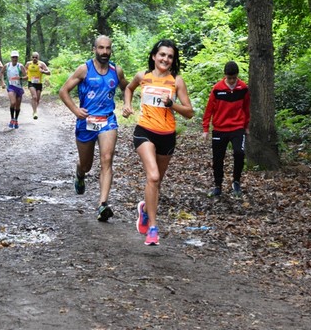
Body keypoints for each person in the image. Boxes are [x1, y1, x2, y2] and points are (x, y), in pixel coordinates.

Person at [122, 39, 194, 246]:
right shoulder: (143, 76)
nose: (165, 59)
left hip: (167, 136)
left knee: (156, 182)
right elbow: (129, 88)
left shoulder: (176, 81)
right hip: (144, 131)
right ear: (154, 56)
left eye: (170, 56)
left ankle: (145, 209)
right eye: (162, 55)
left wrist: (172, 104)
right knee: (152, 176)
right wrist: (127, 106)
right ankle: (153, 228)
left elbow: (189, 112)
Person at [58, 35, 128, 222]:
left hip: (107, 121)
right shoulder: (84, 69)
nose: (105, 52)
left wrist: (127, 103)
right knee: (87, 165)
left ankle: (102, 204)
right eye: (101, 48)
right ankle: (80, 174)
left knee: (107, 159)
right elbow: (63, 91)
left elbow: (127, 88)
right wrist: (75, 110)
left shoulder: (116, 70)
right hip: (86, 121)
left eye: (108, 48)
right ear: (94, 49)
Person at [202, 61, 250, 198]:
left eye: (234, 78)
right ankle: (218, 185)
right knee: (218, 158)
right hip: (220, 129)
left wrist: (246, 126)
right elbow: (209, 110)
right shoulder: (217, 89)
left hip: (237, 127)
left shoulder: (243, 88)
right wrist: (205, 129)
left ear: (237, 76)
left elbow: (246, 108)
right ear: (225, 76)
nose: (232, 80)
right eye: (229, 78)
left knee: (239, 153)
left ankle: (236, 182)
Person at [2, 51, 27, 129]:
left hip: (19, 87)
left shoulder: (20, 66)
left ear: (18, 58)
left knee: (18, 106)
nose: (15, 59)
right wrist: (3, 82)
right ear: (11, 58)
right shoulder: (7, 65)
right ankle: (12, 119)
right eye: (13, 57)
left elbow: (27, 76)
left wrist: (21, 78)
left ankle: (16, 119)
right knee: (13, 102)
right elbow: (1, 73)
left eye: (16, 57)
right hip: (11, 86)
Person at [25, 52, 51, 119]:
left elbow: (49, 72)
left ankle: (35, 110)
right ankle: (35, 112)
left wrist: (43, 71)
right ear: (31, 57)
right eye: (33, 57)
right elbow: (24, 71)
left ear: (38, 58)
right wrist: (25, 75)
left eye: (36, 57)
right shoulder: (28, 63)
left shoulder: (41, 64)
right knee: (34, 97)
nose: (34, 59)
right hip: (31, 82)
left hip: (39, 83)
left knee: (38, 99)